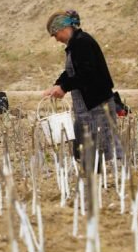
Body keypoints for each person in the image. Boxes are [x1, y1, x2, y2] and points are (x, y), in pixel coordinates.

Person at [42, 10, 123, 161]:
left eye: (55, 35)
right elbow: (71, 72)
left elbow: (87, 74)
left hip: (98, 106)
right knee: (84, 150)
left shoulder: (82, 43)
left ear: (63, 29)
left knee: (104, 151)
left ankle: (109, 181)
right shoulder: (75, 44)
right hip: (86, 108)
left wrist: (64, 88)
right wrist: (57, 85)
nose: (56, 39)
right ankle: (93, 177)